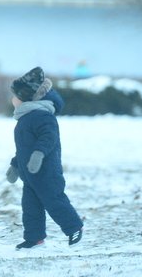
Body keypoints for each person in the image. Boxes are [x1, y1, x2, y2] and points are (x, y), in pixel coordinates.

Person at [5, 66, 83, 249]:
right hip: (30, 175)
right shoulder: (25, 119)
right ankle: (35, 238)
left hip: (47, 173)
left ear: (26, 98)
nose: (12, 99)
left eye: (15, 96)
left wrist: (38, 154)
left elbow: (49, 139)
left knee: (54, 201)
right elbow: (23, 148)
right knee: (30, 208)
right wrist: (15, 165)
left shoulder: (43, 116)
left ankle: (74, 228)